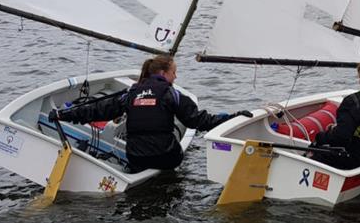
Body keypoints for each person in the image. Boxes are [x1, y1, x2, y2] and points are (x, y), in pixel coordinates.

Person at [49, 55, 252, 173]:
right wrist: (232, 117)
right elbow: (199, 121)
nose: (176, 76)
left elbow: (96, 110)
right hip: (167, 157)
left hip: (136, 157)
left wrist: (63, 115)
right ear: (163, 74)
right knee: (173, 138)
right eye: (174, 72)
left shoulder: (130, 94)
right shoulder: (172, 94)